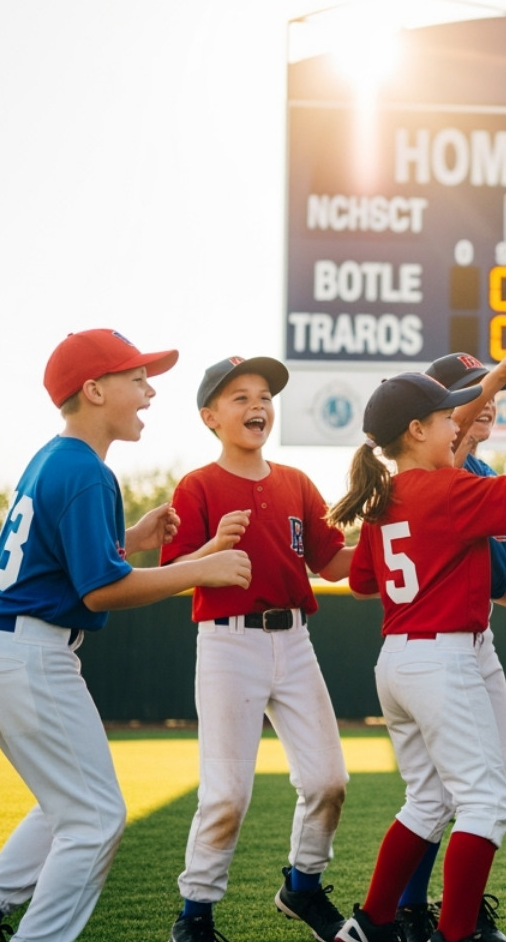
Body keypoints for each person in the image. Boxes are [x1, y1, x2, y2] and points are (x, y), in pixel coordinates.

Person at [0, 329, 251, 942]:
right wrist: (199, 569)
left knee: (67, 806)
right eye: (137, 378)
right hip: (28, 653)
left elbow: (65, 562)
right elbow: (102, 591)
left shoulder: (56, 456)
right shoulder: (87, 472)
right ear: (94, 390)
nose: (150, 390)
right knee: (97, 818)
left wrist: (132, 541)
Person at [328, 360, 506, 942]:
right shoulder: (446, 486)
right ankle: (455, 934)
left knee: (429, 798)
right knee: (484, 805)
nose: (452, 425)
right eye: (441, 417)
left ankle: (373, 921)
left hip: (400, 660)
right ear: (414, 431)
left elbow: (361, 581)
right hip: (443, 658)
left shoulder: (381, 499)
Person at [162, 356, 353, 942]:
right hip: (228, 643)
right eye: (239, 396)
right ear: (209, 416)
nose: (257, 405)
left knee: (329, 780)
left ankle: (302, 885)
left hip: (295, 640)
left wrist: (387, 529)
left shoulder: (295, 481)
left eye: (264, 394)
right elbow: (171, 573)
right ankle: (194, 917)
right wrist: (213, 548)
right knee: (227, 793)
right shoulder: (197, 485)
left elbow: (335, 564)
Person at [391, 351, 506, 942]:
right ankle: (421, 912)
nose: (486, 397)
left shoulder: (474, 469)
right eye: (471, 389)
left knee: (494, 782)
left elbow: (489, 580)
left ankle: (426, 910)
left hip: (463, 640)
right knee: (460, 794)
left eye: (489, 386)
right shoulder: (444, 479)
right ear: (434, 411)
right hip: (440, 646)